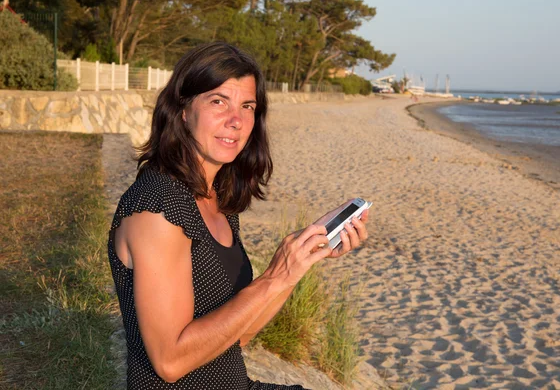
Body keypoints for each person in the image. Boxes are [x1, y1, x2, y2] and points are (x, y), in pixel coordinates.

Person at [107, 42, 370, 389]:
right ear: (183, 110)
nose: (236, 120)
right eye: (218, 101)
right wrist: (274, 277)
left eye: (247, 106)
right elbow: (170, 362)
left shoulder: (217, 197)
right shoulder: (158, 210)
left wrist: (297, 265)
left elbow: (236, 337)